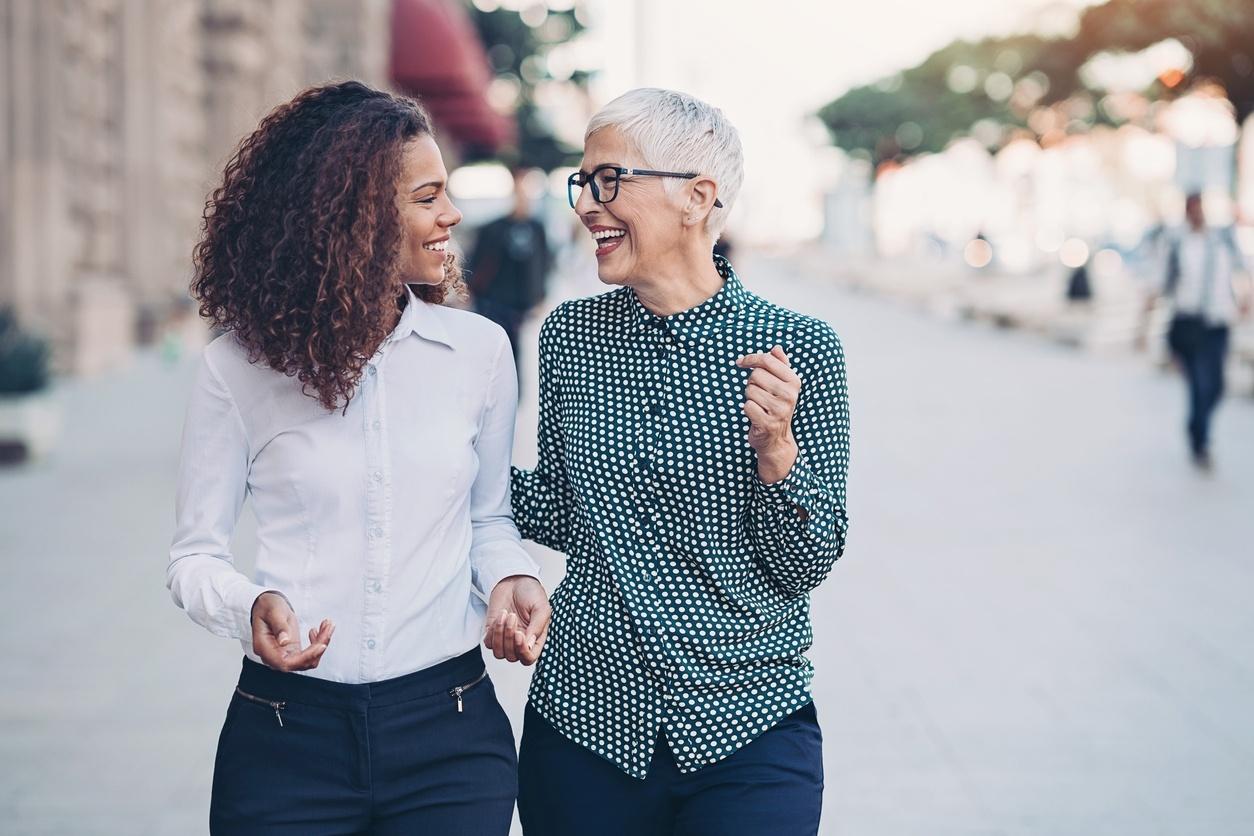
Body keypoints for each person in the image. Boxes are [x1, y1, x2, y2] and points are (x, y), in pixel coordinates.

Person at [167, 80, 550, 835]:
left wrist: (513, 577)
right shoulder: (239, 369)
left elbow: (488, 517)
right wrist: (250, 608)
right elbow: (192, 557)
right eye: (428, 197)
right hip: (285, 740)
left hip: (451, 733)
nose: (452, 217)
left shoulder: (478, 353)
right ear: (357, 215)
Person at [502, 88, 851, 836]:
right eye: (584, 182)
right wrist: (434, 458)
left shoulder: (800, 349)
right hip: (584, 721)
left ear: (697, 198)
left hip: (748, 725)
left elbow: (808, 562)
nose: (589, 204)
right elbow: (563, 508)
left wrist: (777, 456)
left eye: (610, 180)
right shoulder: (570, 338)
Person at [1144, 192, 1251, 470]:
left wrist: (1245, 300)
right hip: (1188, 323)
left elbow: (1242, 272)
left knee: (1215, 387)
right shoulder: (1176, 243)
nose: (1196, 213)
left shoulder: (1222, 240)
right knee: (1198, 384)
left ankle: (1196, 426)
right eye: (1191, 208)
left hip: (1217, 323)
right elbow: (1159, 280)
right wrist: (1145, 318)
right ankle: (1200, 440)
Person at [468, 166, 553, 374]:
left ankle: (513, 398)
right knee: (492, 355)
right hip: (493, 303)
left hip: (521, 306)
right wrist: (471, 293)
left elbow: (544, 263)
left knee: (515, 358)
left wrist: (541, 296)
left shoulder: (537, 228)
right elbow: (477, 262)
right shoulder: (493, 228)